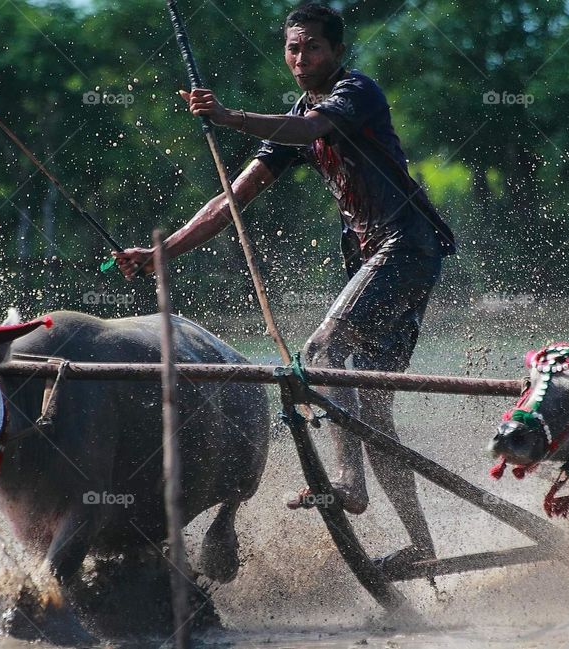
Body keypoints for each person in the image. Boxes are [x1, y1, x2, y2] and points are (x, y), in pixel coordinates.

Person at [114, 2, 454, 567]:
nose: (301, 58)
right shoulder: (294, 117)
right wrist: (162, 253)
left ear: (336, 52)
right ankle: (421, 543)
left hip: (407, 248)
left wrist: (229, 117)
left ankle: (349, 483)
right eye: (293, 48)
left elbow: (314, 127)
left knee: (321, 349)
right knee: (373, 405)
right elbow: (230, 199)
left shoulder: (355, 93)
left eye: (312, 47)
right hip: (374, 257)